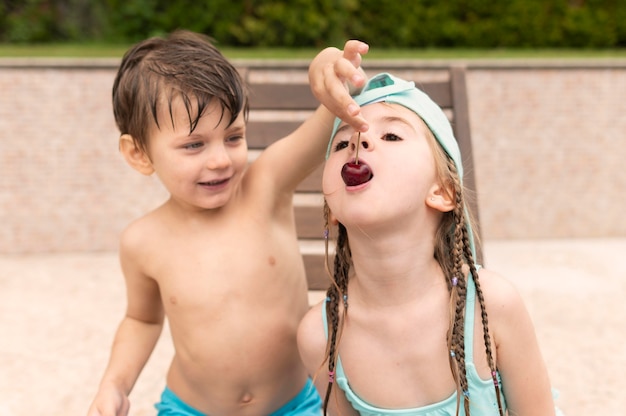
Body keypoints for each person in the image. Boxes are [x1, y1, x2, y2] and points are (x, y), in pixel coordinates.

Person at [87, 30, 369, 416]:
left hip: (296, 404)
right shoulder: (143, 241)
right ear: (138, 153)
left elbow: (325, 124)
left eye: (233, 137)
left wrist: (328, 75)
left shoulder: (266, 187)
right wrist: (114, 385)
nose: (220, 159)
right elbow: (141, 319)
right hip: (189, 409)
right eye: (194, 145)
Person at [297, 72, 561, 415]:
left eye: (391, 135)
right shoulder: (322, 337)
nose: (359, 140)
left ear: (443, 192)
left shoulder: (491, 307)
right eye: (341, 142)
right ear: (330, 207)